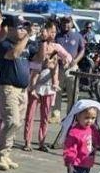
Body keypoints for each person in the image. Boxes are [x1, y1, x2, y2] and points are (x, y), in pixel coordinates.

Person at [0, 15, 32, 171]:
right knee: (12, 121)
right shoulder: (4, 43)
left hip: (23, 90)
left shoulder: (24, 44)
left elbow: (39, 58)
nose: (23, 30)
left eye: (24, 28)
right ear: (10, 29)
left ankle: (6, 154)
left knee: (18, 123)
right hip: (8, 88)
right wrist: (27, 37)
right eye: (20, 27)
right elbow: (13, 54)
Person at [24, 19, 71, 151]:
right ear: (46, 31)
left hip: (49, 85)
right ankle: (27, 141)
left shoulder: (56, 46)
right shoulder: (37, 44)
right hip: (35, 83)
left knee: (45, 116)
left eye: (55, 32)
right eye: (52, 31)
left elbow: (68, 57)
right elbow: (36, 62)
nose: (54, 34)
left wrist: (65, 61)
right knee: (30, 115)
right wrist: (47, 60)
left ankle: (41, 142)